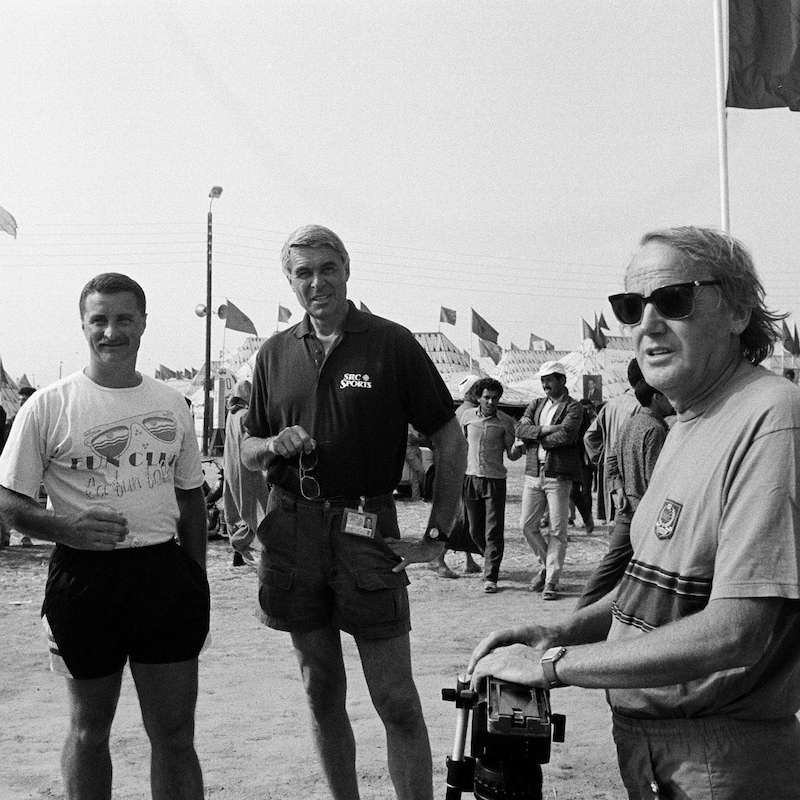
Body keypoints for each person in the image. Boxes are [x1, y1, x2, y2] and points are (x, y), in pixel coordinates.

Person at [468, 226, 800, 799]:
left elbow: (736, 632)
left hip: (721, 762)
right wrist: (558, 629)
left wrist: (554, 666)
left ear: (739, 310)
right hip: (660, 751)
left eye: (674, 299)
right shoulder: (689, 421)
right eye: (630, 305)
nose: (646, 324)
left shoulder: (770, 418)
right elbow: (652, 595)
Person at [240, 224, 467, 800]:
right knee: (320, 687)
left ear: (346, 269)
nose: (316, 282)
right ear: (290, 282)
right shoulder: (273, 353)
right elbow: (245, 446)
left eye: (326, 268)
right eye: (302, 273)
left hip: (367, 528)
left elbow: (448, 434)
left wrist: (438, 533)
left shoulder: (389, 343)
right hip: (292, 529)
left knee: (395, 697)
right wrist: (272, 445)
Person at [0, 273, 209, 800]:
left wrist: (195, 574)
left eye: (123, 319)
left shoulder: (173, 404)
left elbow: (190, 497)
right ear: (84, 325)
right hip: (84, 578)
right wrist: (61, 526)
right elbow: (7, 501)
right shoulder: (47, 405)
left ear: (143, 324)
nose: (111, 332)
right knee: (90, 733)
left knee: (176, 737)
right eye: (100, 320)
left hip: (163, 575)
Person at [574, 374, 672, 609]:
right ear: (657, 398)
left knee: (610, 570)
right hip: (645, 514)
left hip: (627, 510)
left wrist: (618, 490)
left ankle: (582, 614)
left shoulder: (633, 423)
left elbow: (611, 461)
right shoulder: (656, 429)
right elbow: (654, 481)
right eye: (667, 395)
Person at [515, 361, 584, 600]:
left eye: (549, 380)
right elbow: (519, 429)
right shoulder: (536, 404)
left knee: (557, 529)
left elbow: (567, 435)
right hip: (534, 472)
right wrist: (545, 429)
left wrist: (535, 436)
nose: (545, 384)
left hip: (558, 474)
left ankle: (551, 581)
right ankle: (547, 566)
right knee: (527, 524)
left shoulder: (574, 407)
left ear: (562, 381)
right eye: (543, 380)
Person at [460, 377, 524, 593]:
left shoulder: (506, 422)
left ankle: (490, 576)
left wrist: (520, 446)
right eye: (486, 397)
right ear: (478, 397)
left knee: (493, 531)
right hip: (470, 478)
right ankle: (489, 558)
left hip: (494, 481)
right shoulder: (467, 417)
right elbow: (460, 444)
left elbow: (512, 455)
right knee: (474, 530)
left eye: (494, 398)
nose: (490, 401)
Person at [583, 359, 643, 521]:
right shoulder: (642, 406)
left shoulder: (611, 404)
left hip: (611, 474)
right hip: (632, 477)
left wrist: (601, 461)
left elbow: (589, 437)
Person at [223, 379, 268, 566]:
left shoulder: (231, 415)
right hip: (247, 469)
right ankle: (250, 547)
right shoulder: (245, 416)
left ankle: (238, 548)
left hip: (231, 466)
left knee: (236, 507)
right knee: (255, 509)